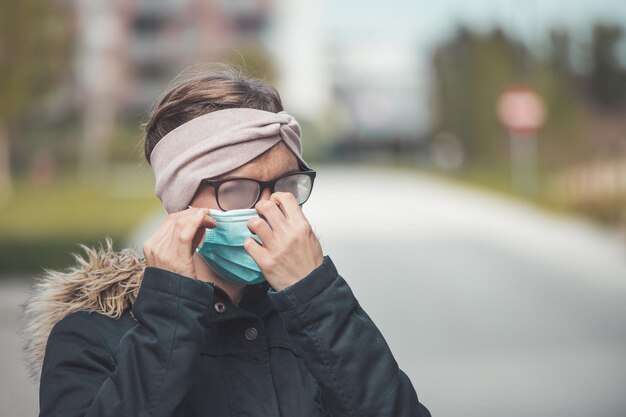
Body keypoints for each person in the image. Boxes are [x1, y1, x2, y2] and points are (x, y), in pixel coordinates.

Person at [22, 66, 431, 417]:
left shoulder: (312, 320)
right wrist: (169, 313)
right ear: (181, 202)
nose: (271, 208)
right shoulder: (91, 336)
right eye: (238, 190)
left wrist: (318, 296)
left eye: (286, 185)